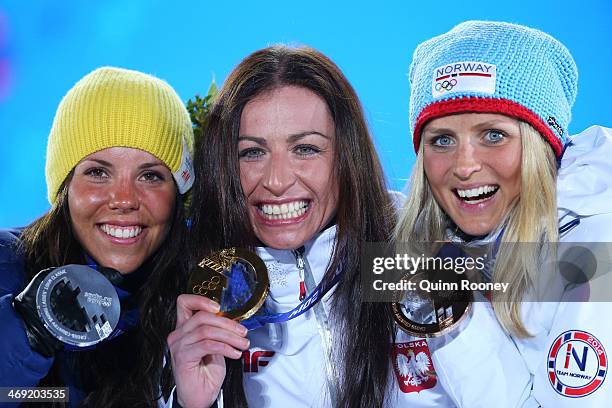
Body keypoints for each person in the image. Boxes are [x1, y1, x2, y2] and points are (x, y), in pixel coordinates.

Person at [169, 45, 529, 408]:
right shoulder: (204, 288)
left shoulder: (416, 251)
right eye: (252, 152)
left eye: (306, 149)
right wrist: (193, 404)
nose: (276, 180)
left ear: (346, 155)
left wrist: (448, 312)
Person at [396, 20, 612, 406]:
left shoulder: (596, 255)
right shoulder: (413, 247)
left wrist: (456, 313)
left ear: (543, 145)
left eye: (493, 135)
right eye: (442, 140)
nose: (464, 166)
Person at [0, 66, 195, 407]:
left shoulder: (201, 295)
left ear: (178, 196)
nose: (124, 199)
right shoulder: (6, 266)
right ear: (65, 188)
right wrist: (28, 332)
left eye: (150, 176)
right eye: (98, 172)